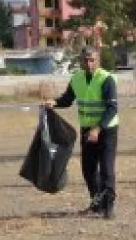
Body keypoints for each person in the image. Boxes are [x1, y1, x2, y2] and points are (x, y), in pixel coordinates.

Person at [43, 46, 119, 218]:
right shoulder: (76, 78)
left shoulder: (106, 79)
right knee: (89, 169)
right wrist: (54, 102)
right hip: (87, 130)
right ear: (80, 61)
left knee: (107, 169)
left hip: (106, 130)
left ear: (98, 61)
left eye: (92, 60)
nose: (89, 63)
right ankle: (96, 204)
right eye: (85, 60)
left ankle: (108, 207)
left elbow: (112, 108)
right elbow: (67, 99)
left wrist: (98, 129)